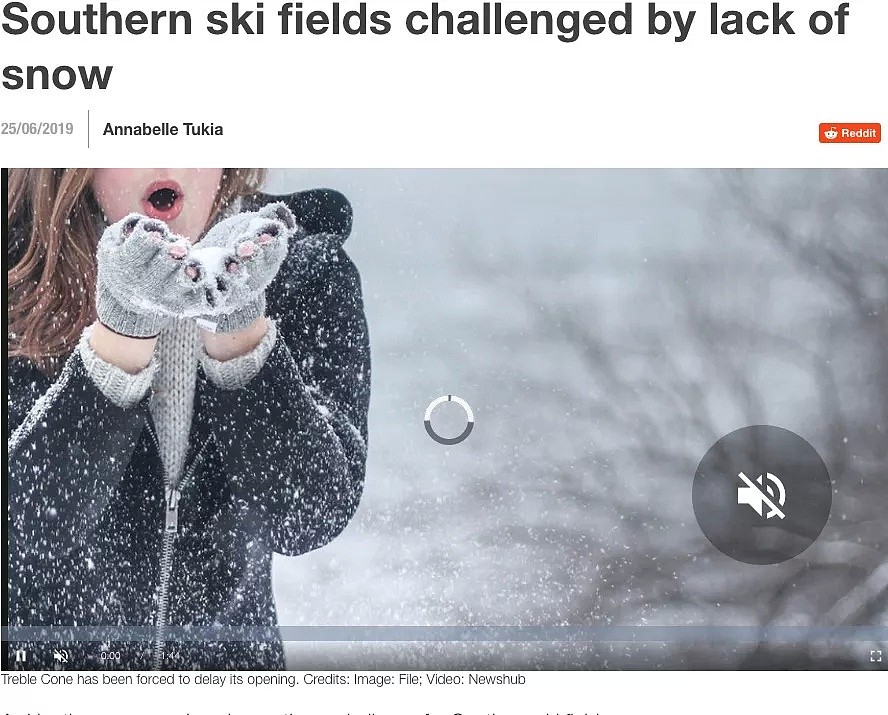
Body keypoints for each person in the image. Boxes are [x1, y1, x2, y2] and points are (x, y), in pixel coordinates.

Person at [6, 168, 371, 670]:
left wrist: (240, 334)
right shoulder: (18, 273)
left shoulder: (305, 271)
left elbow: (307, 516)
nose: (165, 153)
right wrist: (121, 336)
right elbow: (27, 529)